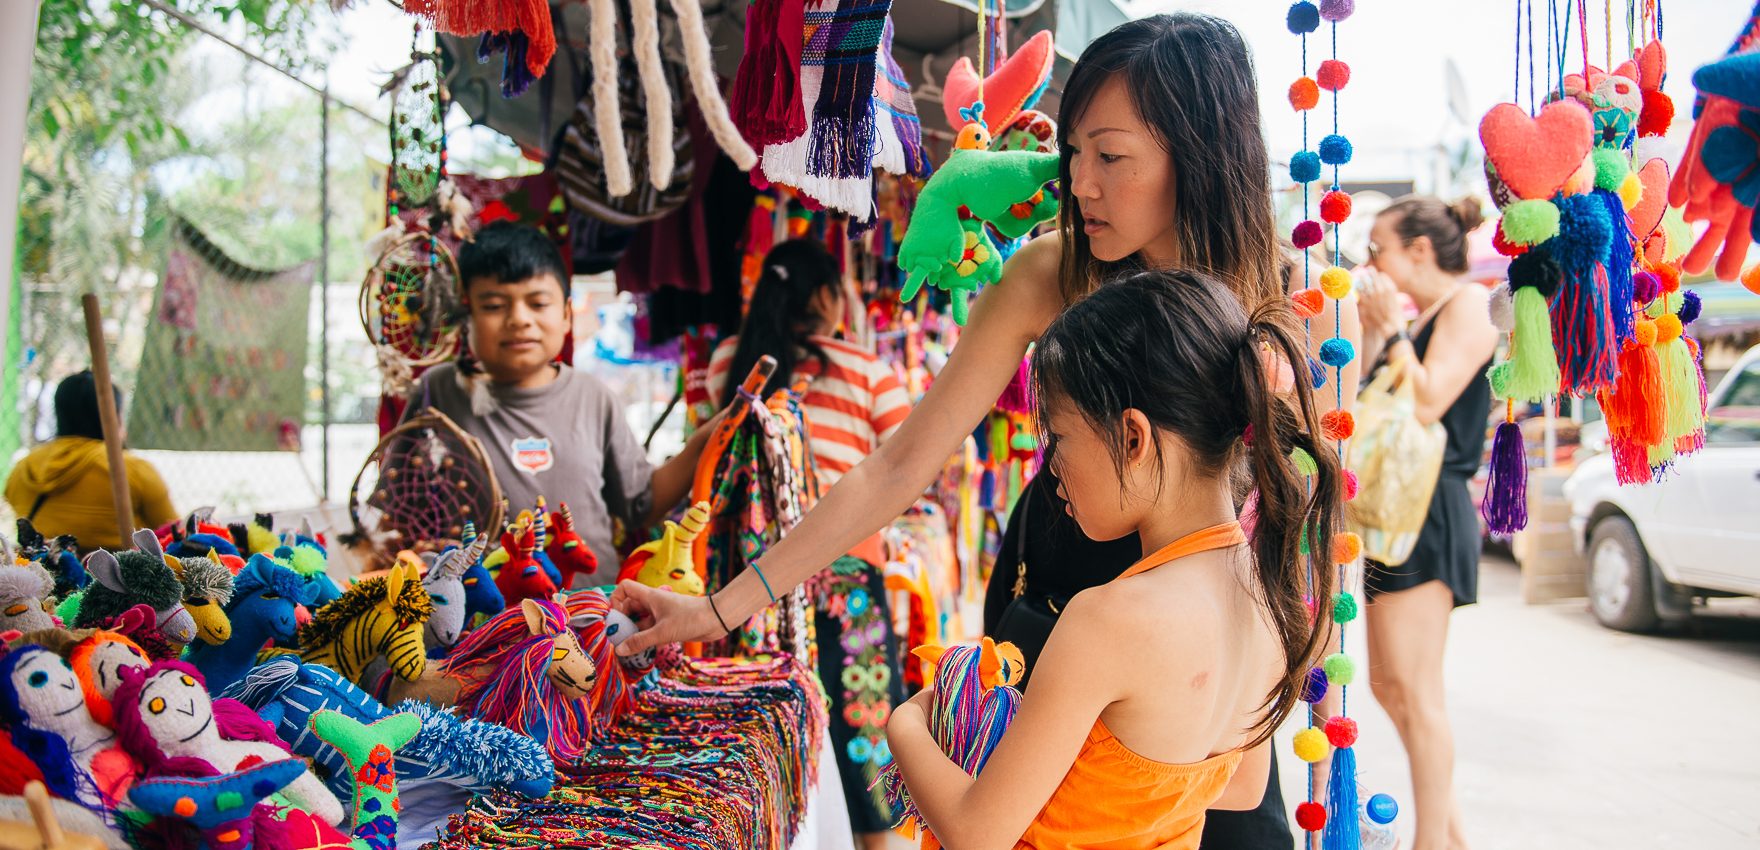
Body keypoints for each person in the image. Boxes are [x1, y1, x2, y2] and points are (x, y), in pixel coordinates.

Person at [885, 271, 1341, 849]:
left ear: (1132, 438)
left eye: (1058, 437)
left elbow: (977, 834)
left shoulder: (1108, 620)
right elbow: (1243, 788)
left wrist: (907, 722)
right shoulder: (1267, 592)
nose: (1051, 467)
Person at [705, 238, 913, 849]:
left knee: (764, 747)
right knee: (869, 748)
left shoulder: (728, 362)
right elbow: (905, 475)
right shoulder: (870, 371)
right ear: (827, 295)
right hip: (847, 579)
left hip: (748, 582)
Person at [400, 221, 715, 579]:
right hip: (478, 611)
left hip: (593, 607)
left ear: (566, 315)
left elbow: (640, 506)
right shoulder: (439, 391)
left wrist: (702, 442)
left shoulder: (594, 398)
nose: (519, 319)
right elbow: (399, 509)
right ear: (466, 313)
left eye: (537, 303)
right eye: (494, 305)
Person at [1354, 195, 1498, 850]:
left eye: (1377, 248)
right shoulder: (1422, 318)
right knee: (1389, 686)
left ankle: (1433, 843)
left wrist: (1390, 330)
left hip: (1430, 508)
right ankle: (1453, 839)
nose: (1370, 262)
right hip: (1396, 509)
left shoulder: (1468, 305)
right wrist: (1378, 331)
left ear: (1417, 250)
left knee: (1417, 692)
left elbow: (1429, 400)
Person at [5, 370, 178, 551]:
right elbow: (175, 533)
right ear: (114, 417)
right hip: (115, 568)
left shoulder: (23, 468)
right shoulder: (130, 470)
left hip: (41, 565)